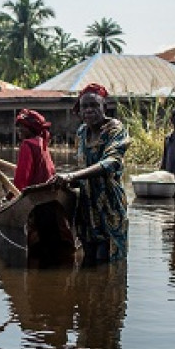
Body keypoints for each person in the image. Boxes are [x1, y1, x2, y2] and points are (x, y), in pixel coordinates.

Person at [51, 83, 130, 264]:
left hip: (109, 204)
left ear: (104, 107)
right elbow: (83, 166)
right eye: (84, 106)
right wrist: (64, 181)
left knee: (109, 261)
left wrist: (72, 176)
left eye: (94, 105)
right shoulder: (81, 132)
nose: (88, 110)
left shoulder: (115, 129)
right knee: (89, 260)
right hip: (87, 205)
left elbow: (111, 162)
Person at [12, 108, 56, 191]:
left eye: (23, 126)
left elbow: (22, 177)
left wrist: (11, 196)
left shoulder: (27, 144)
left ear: (31, 129)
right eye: (18, 126)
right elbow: (51, 171)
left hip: (35, 194)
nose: (19, 129)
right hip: (47, 191)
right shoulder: (42, 142)